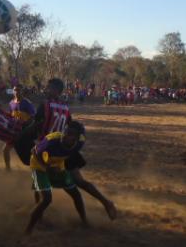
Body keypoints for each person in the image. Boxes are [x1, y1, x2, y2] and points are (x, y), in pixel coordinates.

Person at [22, 78, 117, 220]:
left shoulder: (45, 105)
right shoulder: (65, 107)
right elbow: (71, 126)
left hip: (49, 148)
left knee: (39, 180)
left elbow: (36, 126)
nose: (46, 90)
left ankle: (39, 216)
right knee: (79, 181)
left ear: (56, 91)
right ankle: (106, 202)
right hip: (66, 148)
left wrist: (22, 135)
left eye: (49, 88)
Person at [26, 121, 88, 234]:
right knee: (47, 199)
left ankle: (85, 222)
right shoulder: (52, 141)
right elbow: (34, 151)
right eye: (66, 132)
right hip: (38, 166)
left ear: (77, 137)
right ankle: (28, 230)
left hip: (58, 165)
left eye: (71, 134)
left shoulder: (80, 142)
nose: (66, 135)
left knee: (76, 194)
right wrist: (47, 167)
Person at [3, 84, 35, 171]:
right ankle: (8, 169)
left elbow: (33, 117)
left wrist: (25, 125)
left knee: (30, 151)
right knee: (5, 150)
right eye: (15, 90)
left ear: (22, 91)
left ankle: (35, 168)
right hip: (14, 132)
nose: (17, 92)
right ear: (13, 91)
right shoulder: (11, 103)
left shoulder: (27, 103)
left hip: (25, 132)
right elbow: (10, 116)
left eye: (18, 90)